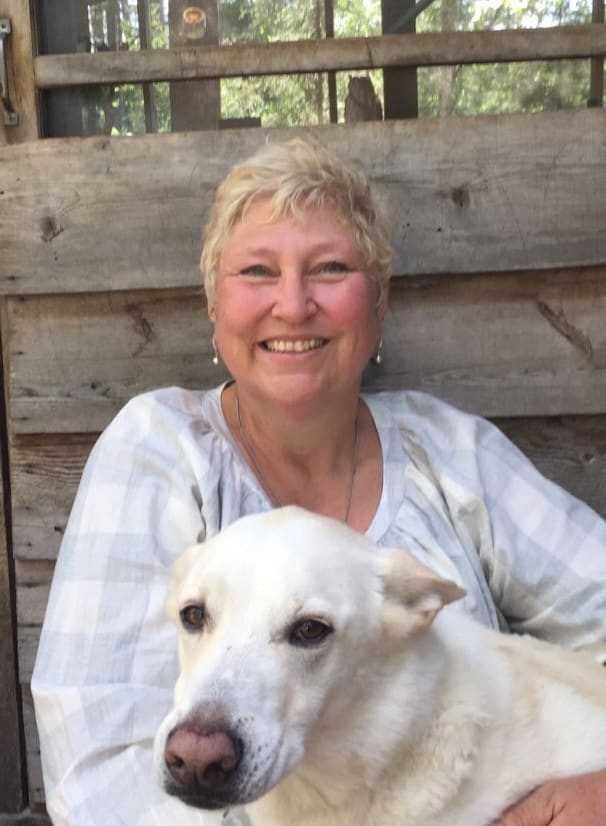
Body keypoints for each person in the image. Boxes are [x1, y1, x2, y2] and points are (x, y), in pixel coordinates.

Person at [32, 138, 606, 826]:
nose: (293, 303)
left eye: (329, 268)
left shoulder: (453, 453)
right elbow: (99, 779)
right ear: (214, 306)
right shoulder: (158, 450)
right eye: (257, 271)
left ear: (378, 306)